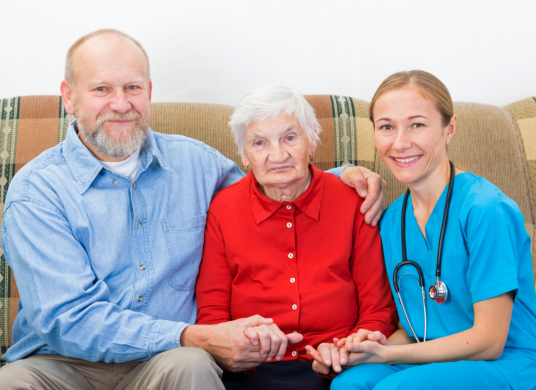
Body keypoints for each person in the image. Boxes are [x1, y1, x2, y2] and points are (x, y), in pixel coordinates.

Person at [0, 29, 386, 390]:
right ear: (69, 96)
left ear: (148, 91)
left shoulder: (196, 164)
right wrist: (190, 335)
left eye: (132, 87)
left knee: (193, 365)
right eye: (102, 89)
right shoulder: (37, 192)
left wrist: (343, 178)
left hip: (165, 362)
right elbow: (67, 320)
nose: (121, 104)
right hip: (63, 364)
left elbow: (269, 186)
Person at [306, 70, 536, 390]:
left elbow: (490, 340)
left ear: (449, 129)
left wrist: (385, 356)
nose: (400, 143)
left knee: (395, 388)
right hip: (432, 358)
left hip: (507, 361)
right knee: (348, 383)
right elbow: (414, 327)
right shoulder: (391, 221)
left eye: (417, 124)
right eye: (387, 127)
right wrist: (362, 350)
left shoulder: (485, 209)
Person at [195, 85, 398, 390]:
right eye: (260, 143)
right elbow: (212, 313)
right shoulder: (223, 208)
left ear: (312, 141)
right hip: (249, 370)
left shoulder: (354, 201)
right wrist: (238, 346)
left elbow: (378, 309)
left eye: (290, 138)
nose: (278, 155)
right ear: (244, 154)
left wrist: (350, 348)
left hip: (338, 367)